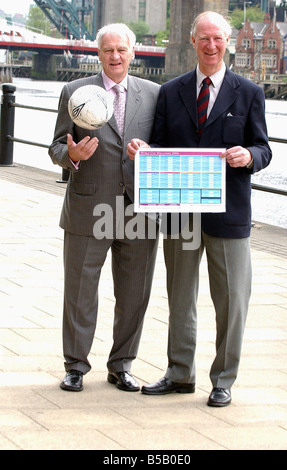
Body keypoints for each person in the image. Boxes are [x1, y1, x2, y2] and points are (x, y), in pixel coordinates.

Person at [127, 11, 272, 406]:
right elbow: (158, 145)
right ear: (193, 41)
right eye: (203, 39)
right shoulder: (170, 91)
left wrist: (249, 156)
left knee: (231, 302)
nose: (211, 46)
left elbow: (264, 148)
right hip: (180, 213)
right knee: (180, 298)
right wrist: (144, 151)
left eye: (217, 39)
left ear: (228, 42)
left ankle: (223, 379)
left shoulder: (249, 93)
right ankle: (179, 373)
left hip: (229, 214)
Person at [49, 23, 160, 393]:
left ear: (133, 52)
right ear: (99, 54)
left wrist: (150, 153)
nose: (115, 56)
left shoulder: (154, 94)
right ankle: (76, 365)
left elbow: (165, 148)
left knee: (134, 294)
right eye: (108, 50)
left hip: (140, 211)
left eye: (122, 49)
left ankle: (122, 365)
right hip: (88, 208)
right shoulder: (75, 91)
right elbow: (56, 149)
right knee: (80, 292)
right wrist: (73, 156)